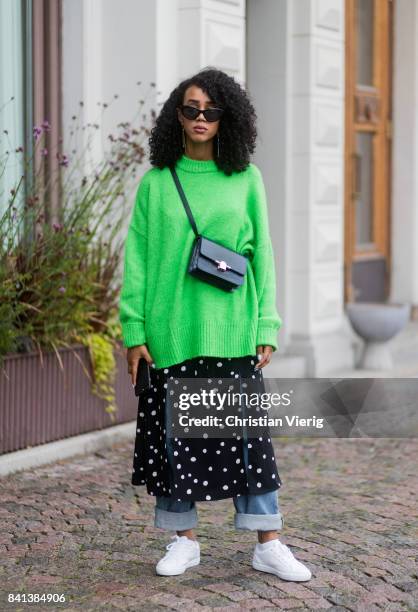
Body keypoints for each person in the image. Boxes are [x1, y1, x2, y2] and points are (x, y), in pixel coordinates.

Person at [119, 67, 311, 582]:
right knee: (173, 443)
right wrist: (133, 332)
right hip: (170, 333)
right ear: (176, 116)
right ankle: (184, 540)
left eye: (211, 110)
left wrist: (266, 321)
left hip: (231, 329)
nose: (200, 118)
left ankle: (268, 542)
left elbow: (263, 254)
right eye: (190, 109)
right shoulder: (157, 184)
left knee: (248, 441)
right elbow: (135, 260)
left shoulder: (247, 179)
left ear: (228, 118)